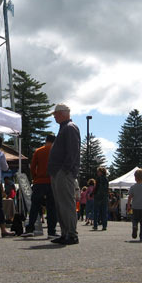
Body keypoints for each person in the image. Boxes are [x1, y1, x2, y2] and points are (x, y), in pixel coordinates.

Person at [48, 103, 81, 245]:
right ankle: (65, 233)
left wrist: (65, 170)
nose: (54, 117)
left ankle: (71, 234)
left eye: (55, 114)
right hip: (59, 172)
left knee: (66, 204)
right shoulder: (65, 128)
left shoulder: (69, 128)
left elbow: (73, 151)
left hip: (63, 173)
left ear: (62, 113)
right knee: (61, 204)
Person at [22, 134, 58, 238]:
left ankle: (30, 229)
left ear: (46, 140)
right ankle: (51, 232)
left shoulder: (38, 151)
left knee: (35, 206)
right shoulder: (56, 151)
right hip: (52, 182)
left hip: (39, 182)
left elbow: (33, 167)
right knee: (51, 207)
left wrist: (35, 177)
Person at [92, 166, 109, 231]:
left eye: (98, 171)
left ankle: (95, 225)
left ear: (101, 172)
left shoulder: (98, 178)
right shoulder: (106, 179)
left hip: (98, 197)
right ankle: (104, 226)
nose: (97, 173)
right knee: (104, 212)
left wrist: (93, 193)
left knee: (96, 212)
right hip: (104, 197)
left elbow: (96, 187)